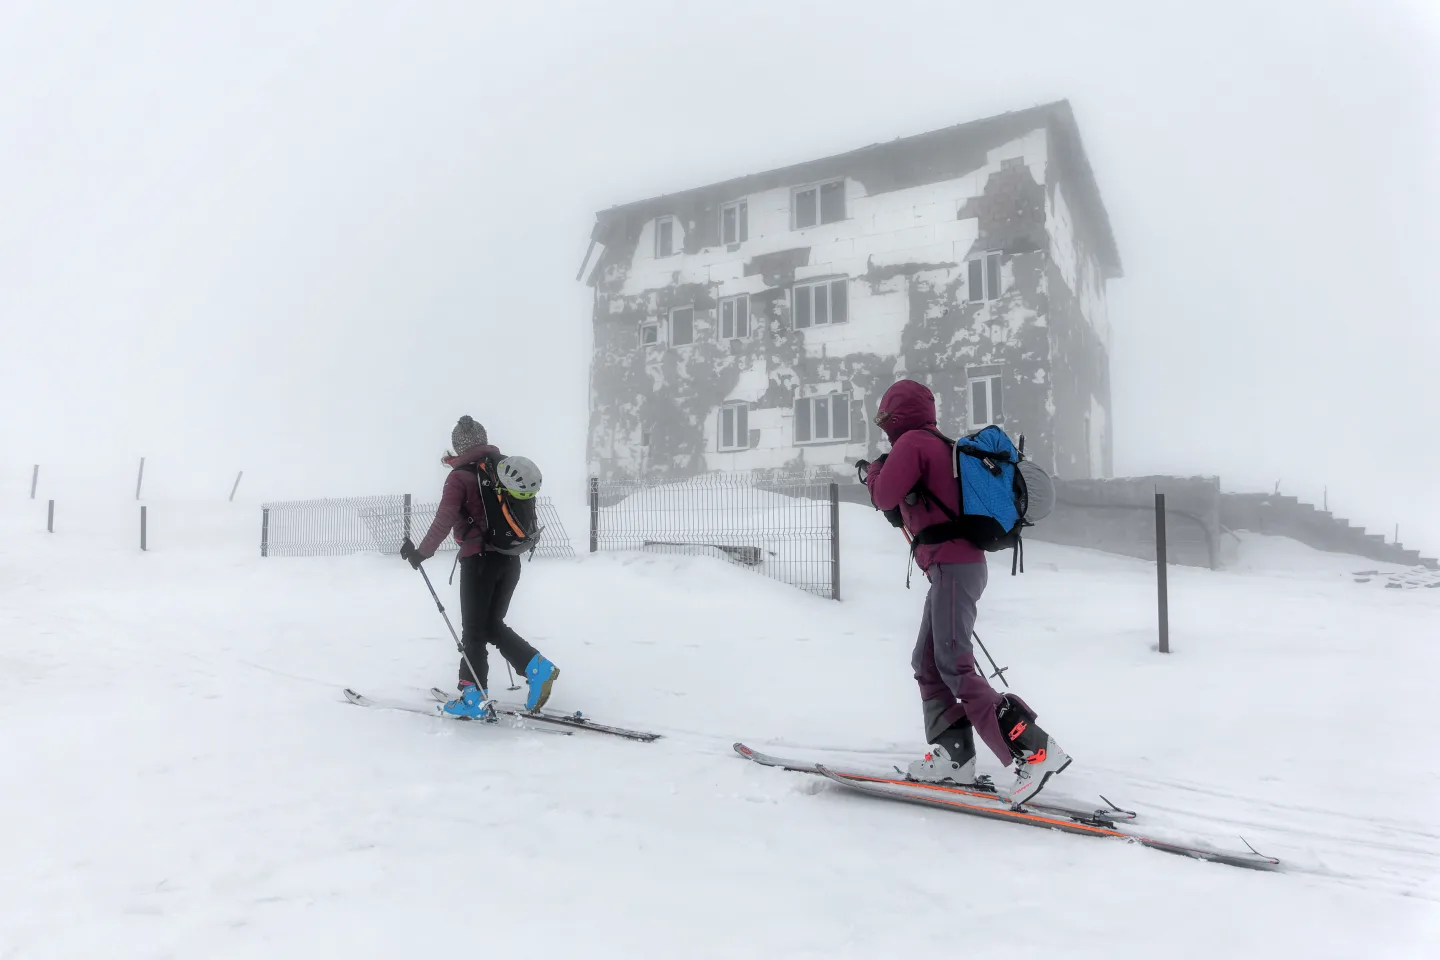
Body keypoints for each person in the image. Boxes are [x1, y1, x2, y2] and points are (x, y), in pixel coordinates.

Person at [862, 379, 1070, 804]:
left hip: (954, 567)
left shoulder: (913, 444)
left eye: (886, 416)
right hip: (952, 567)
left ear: (898, 415)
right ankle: (953, 757)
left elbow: (884, 495)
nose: (883, 425)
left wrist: (876, 470)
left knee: (954, 664)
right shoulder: (937, 443)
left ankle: (1035, 751)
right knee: (928, 660)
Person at [399, 415, 559, 720]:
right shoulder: (501, 470)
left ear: (459, 445)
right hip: (509, 558)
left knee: (474, 631)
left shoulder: (460, 477)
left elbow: (445, 518)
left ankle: (473, 696)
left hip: (479, 562)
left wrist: (421, 552)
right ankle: (537, 669)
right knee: (490, 626)